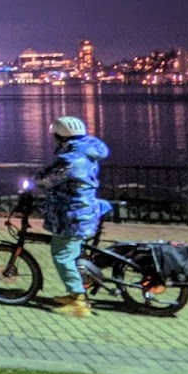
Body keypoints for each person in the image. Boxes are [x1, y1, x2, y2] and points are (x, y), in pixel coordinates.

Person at [35, 115, 112, 318]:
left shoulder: (71, 159)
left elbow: (47, 180)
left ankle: (78, 300)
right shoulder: (86, 151)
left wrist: (35, 181)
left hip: (73, 215)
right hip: (83, 210)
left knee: (62, 255)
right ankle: (74, 293)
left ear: (62, 137)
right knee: (71, 253)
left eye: (56, 136)